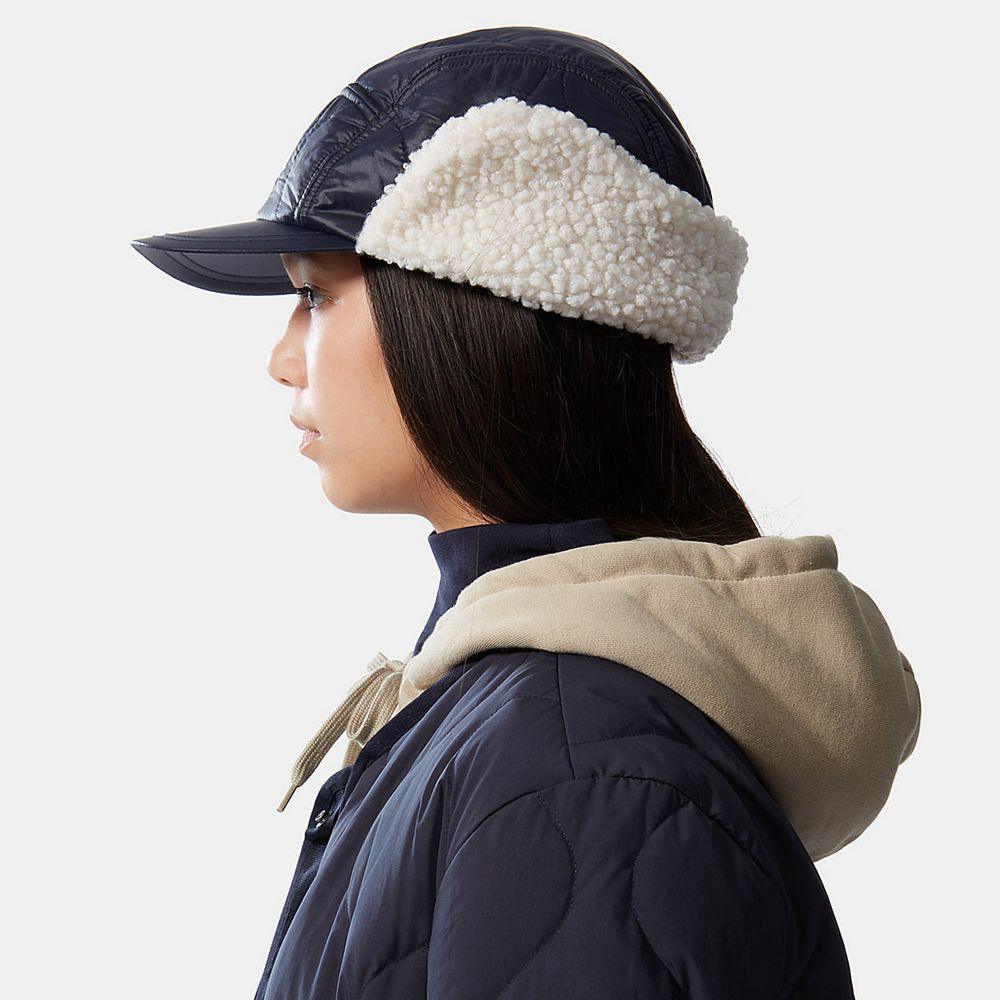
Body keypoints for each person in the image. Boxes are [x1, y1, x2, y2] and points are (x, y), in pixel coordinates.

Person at [130, 25, 922, 1000]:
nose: (282, 359)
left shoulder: (577, 764)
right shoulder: (530, 719)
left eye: (316, 297)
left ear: (472, 299)